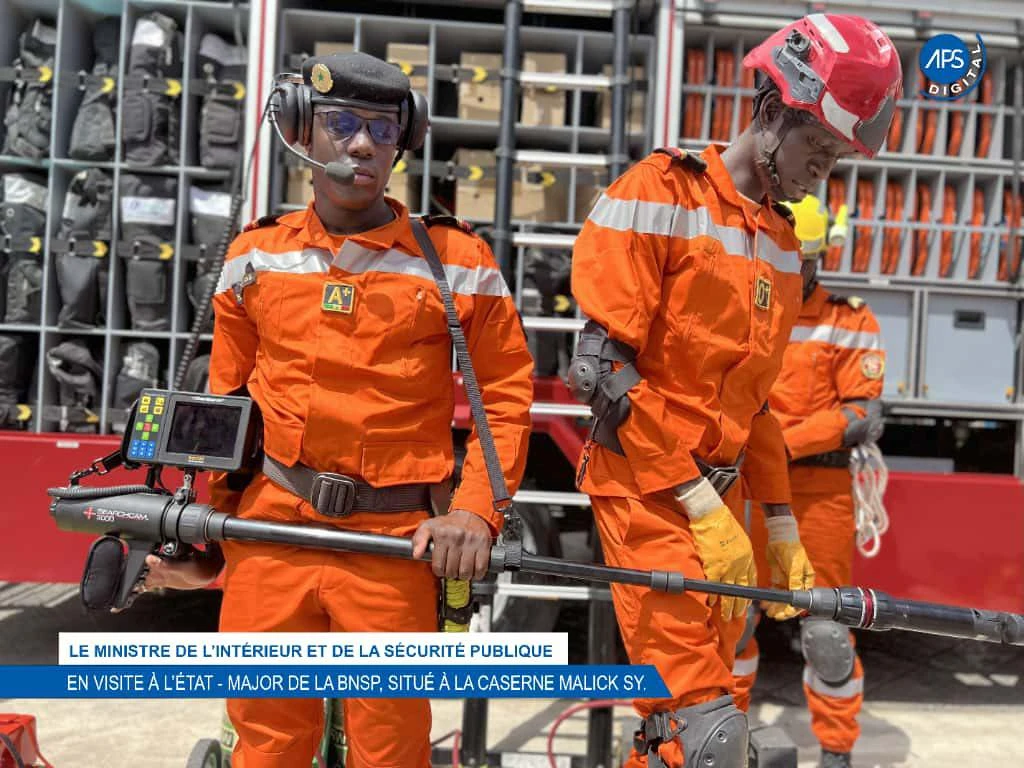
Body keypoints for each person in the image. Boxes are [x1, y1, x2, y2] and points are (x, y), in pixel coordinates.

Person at [141, 51, 535, 768]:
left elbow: (503, 399)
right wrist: (206, 541)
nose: (361, 145)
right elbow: (228, 408)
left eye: (382, 131)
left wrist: (476, 512)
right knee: (264, 746)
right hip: (270, 535)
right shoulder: (254, 255)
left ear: (403, 141)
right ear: (298, 129)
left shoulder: (457, 260)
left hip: (390, 548)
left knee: (388, 749)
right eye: (342, 124)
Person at [568, 13, 901, 767]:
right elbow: (603, 373)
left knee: (686, 723)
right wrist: (692, 499)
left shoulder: (783, 243)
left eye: (837, 159)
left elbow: (756, 409)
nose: (823, 173)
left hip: (720, 503)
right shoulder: (658, 192)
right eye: (817, 150)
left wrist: (780, 522)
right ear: (771, 111)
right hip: (648, 494)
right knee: (709, 731)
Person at [729, 194, 885, 768]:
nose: (798, 269)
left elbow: (860, 416)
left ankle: (838, 754)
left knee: (828, 634)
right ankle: (726, 739)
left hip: (818, 496)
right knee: (733, 621)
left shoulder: (850, 320)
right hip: (744, 490)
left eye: (806, 260)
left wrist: (783, 443)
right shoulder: (743, 305)